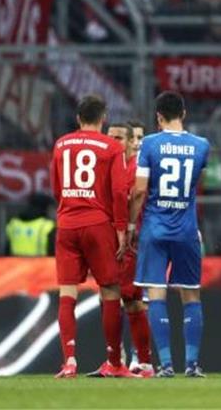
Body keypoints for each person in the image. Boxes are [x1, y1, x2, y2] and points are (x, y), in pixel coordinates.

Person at [50, 94, 132, 379]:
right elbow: (120, 192)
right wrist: (121, 228)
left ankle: (69, 361)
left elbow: (57, 187)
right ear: (104, 118)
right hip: (98, 224)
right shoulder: (111, 147)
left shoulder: (61, 144)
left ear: (77, 118)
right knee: (110, 289)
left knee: (67, 291)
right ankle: (114, 361)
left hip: (67, 223)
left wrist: (69, 209)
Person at [129, 92, 209, 378]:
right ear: (183, 114)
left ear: (158, 117)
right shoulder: (202, 145)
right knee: (191, 294)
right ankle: (192, 364)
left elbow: (139, 190)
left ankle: (165, 365)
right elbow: (196, 183)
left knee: (155, 293)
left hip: (155, 228)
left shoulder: (149, 144)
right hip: (186, 229)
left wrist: (129, 225)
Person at [107, 121, 154, 377]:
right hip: (117, 240)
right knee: (129, 300)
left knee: (126, 298)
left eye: (119, 138)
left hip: (132, 240)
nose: (115, 143)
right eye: (110, 138)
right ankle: (133, 360)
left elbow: (133, 198)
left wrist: (129, 227)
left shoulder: (136, 167)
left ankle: (124, 360)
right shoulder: (113, 166)